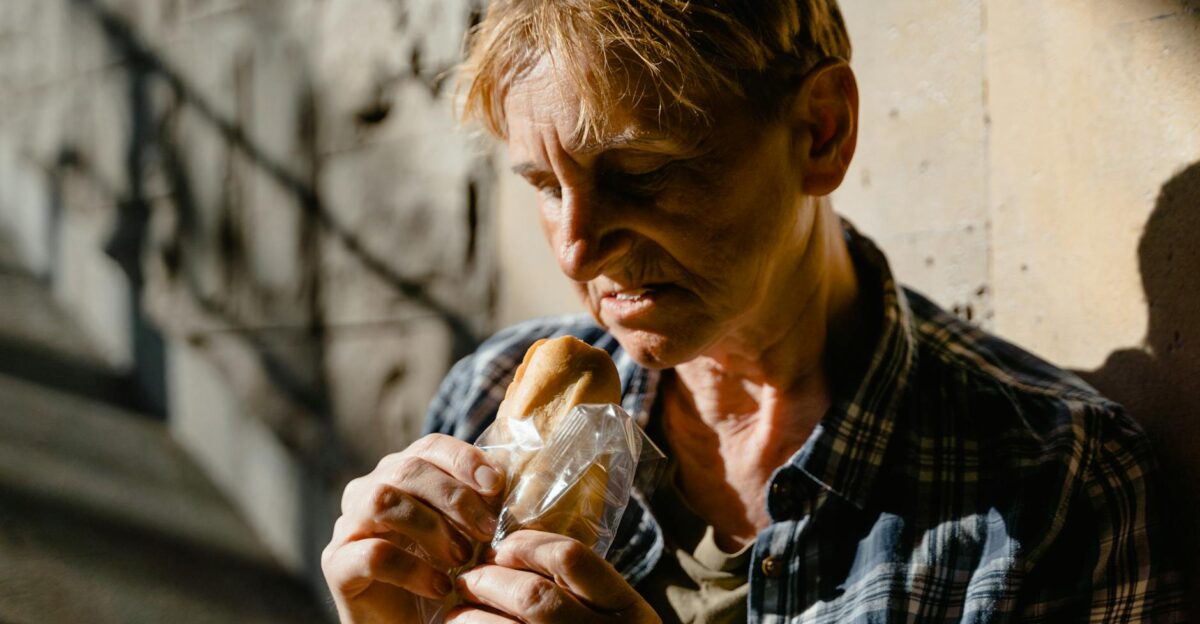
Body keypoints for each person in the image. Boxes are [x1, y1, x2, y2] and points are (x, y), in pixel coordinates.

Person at [321, 1, 1184, 622]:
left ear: (822, 131)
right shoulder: (489, 395)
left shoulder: (1056, 488)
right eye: (546, 186)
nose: (576, 250)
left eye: (642, 173)